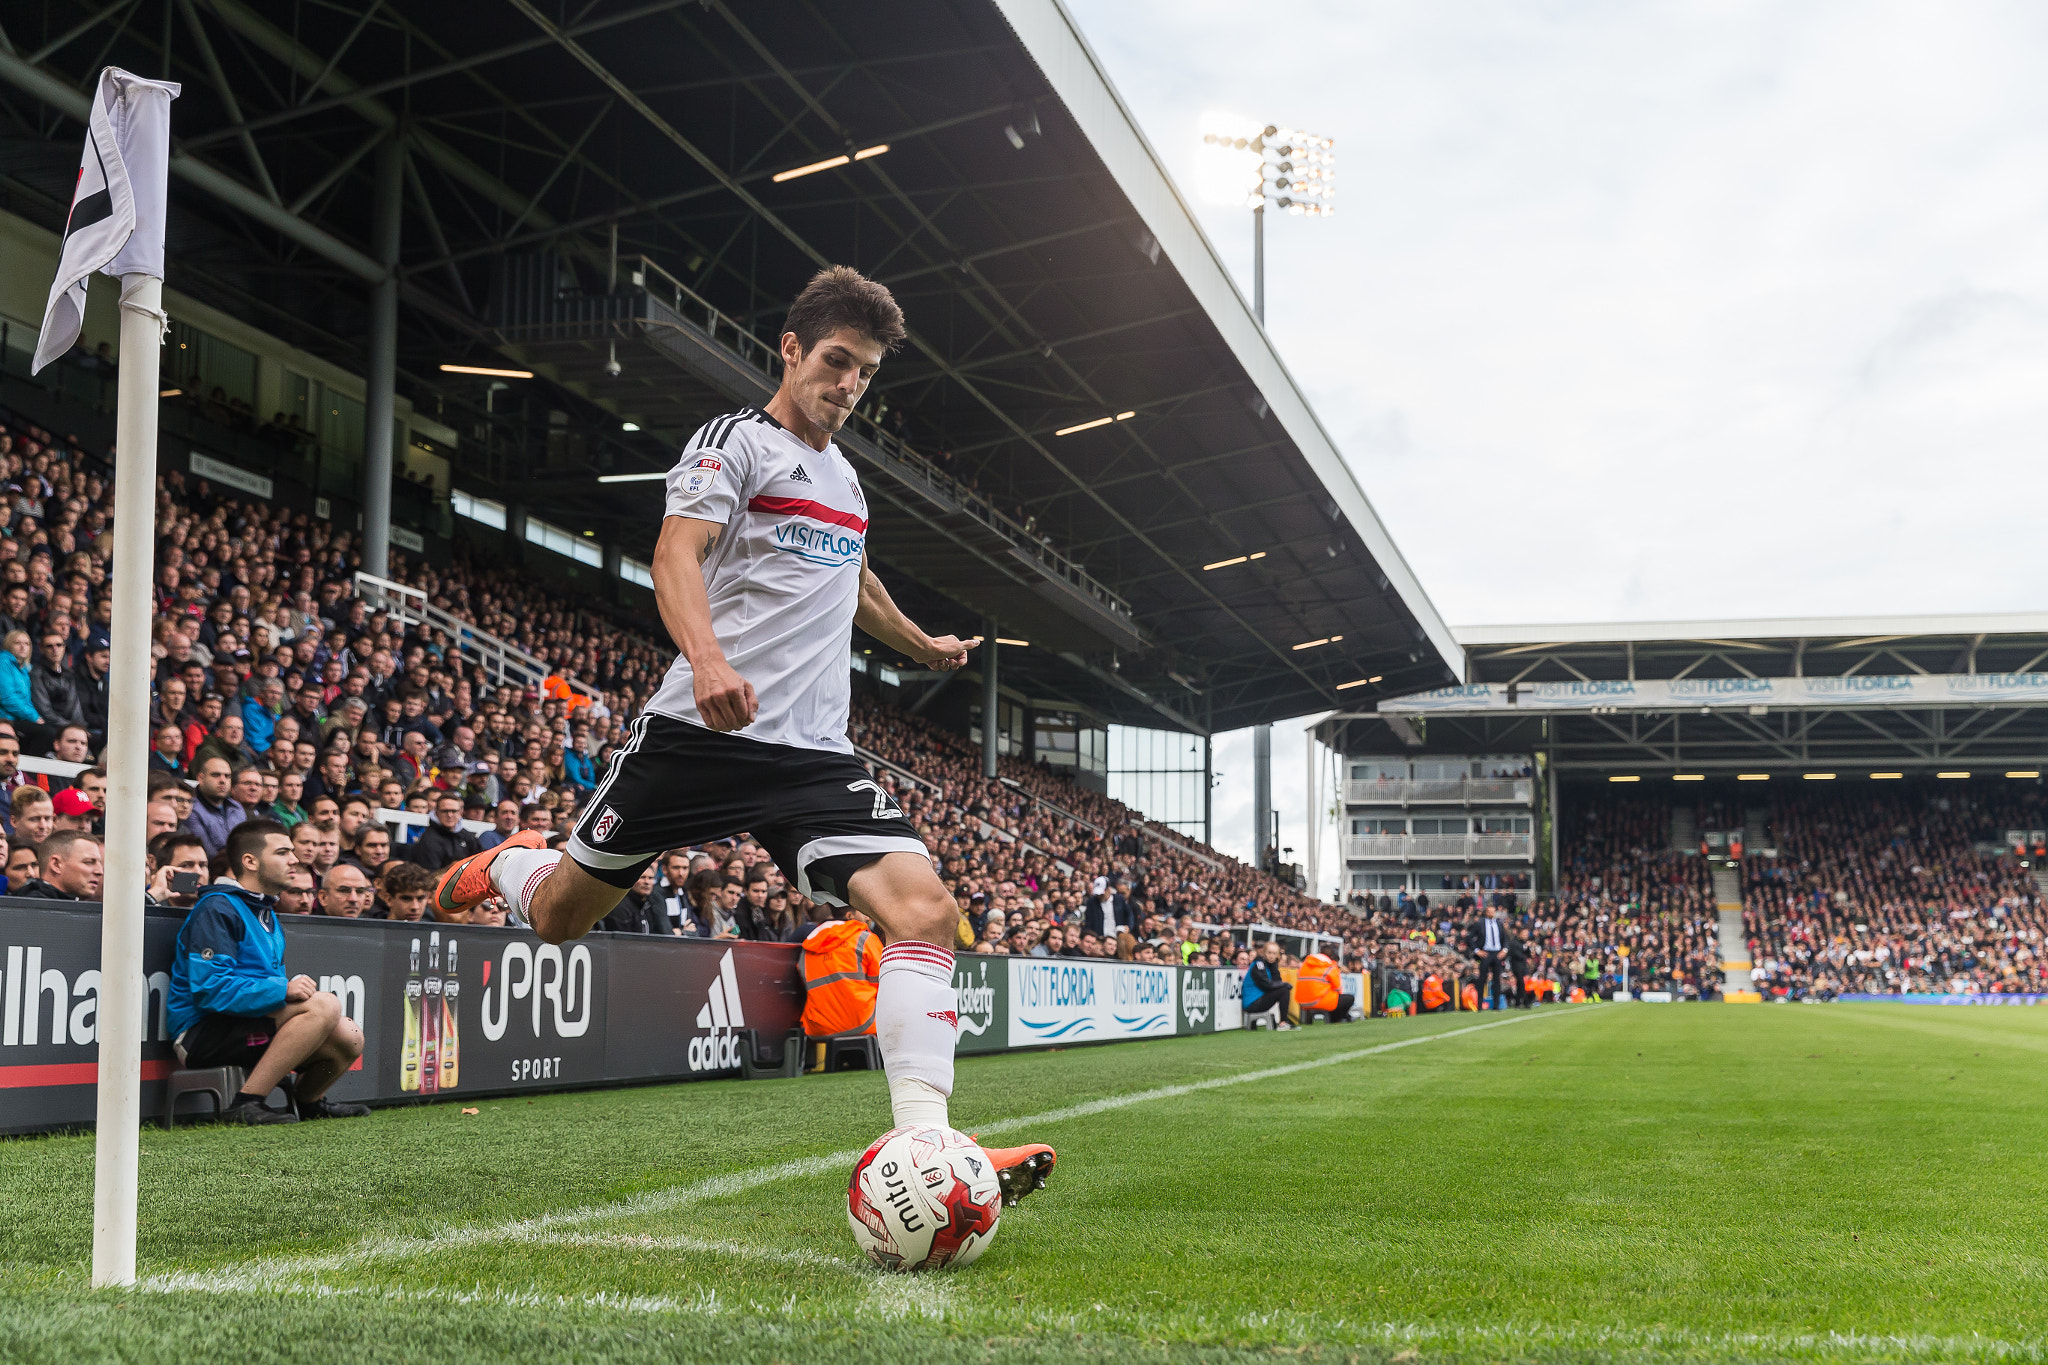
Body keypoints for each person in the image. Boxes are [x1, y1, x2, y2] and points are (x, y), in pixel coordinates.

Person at [430, 268, 1054, 1203]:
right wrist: (709, 658)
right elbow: (673, 551)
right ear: (792, 350)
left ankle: (931, 1149)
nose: (849, 384)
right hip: (699, 732)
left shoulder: (844, 477)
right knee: (559, 920)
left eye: (867, 373)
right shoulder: (737, 441)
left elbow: (858, 577)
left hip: (811, 757)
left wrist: (919, 642)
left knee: (926, 914)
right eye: (837, 361)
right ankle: (517, 862)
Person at [166, 820, 368, 1124]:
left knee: (348, 1035)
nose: (295, 860)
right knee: (324, 1005)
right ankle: (246, 1104)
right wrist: (282, 990)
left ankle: (307, 1103)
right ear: (250, 861)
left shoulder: (264, 911)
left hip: (242, 1024)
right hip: (201, 1034)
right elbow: (211, 989)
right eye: (283, 852)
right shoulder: (217, 908)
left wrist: (279, 991)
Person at [10, 829, 103, 900]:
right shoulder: (30, 909)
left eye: (100, 863)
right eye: (89, 862)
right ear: (56, 865)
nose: (100, 871)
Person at [184, 755, 245, 857]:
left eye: (227, 776)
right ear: (201, 778)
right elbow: (208, 854)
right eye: (216, 775)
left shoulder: (237, 808)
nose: (222, 780)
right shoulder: (191, 809)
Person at [411, 791, 481, 869]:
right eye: (445, 811)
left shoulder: (467, 836)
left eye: (454, 811)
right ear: (437, 813)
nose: (449, 815)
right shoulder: (429, 839)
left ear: (460, 813)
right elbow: (428, 875)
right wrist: (454, 869)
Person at [1241, 939, 1292, 1029]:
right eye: (1269, 953)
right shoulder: (1258, 964)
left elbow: (1277, 981)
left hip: (1259, 999)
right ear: (1264, 952)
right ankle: (1283, 1022)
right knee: (1284, 990)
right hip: (1252, 1002)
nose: (1271, 956)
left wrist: (1274, 967)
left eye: (1274, 953)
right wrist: (1284, 984)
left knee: (1283, 989)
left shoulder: (1270, 965)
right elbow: (1266, 985)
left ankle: (1284, 1022)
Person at [1467, 903, 1509, 1011]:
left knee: (1497, 980)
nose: (1491, 913)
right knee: (1482, 979)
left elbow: (1505, 938)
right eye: (1489, 911)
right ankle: (1479, 1005)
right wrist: (1477, 950)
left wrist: (1504, 950)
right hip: (1485, 953)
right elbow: (1470, 937)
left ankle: (1496, 1005)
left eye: (1493, 911)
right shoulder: (1480, 923)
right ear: (1486, 912)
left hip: (1497, 953)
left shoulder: (1499, 924)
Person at [1294, 950, 1354, 1022]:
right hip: (1320, 1001)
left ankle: (1341, 1017)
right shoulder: (1329, 967)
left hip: (1302, 1002)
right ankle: (1338, 1018)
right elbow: (1338, 989)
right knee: (1348, 998)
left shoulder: (1304, 966)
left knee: (1332, 998)